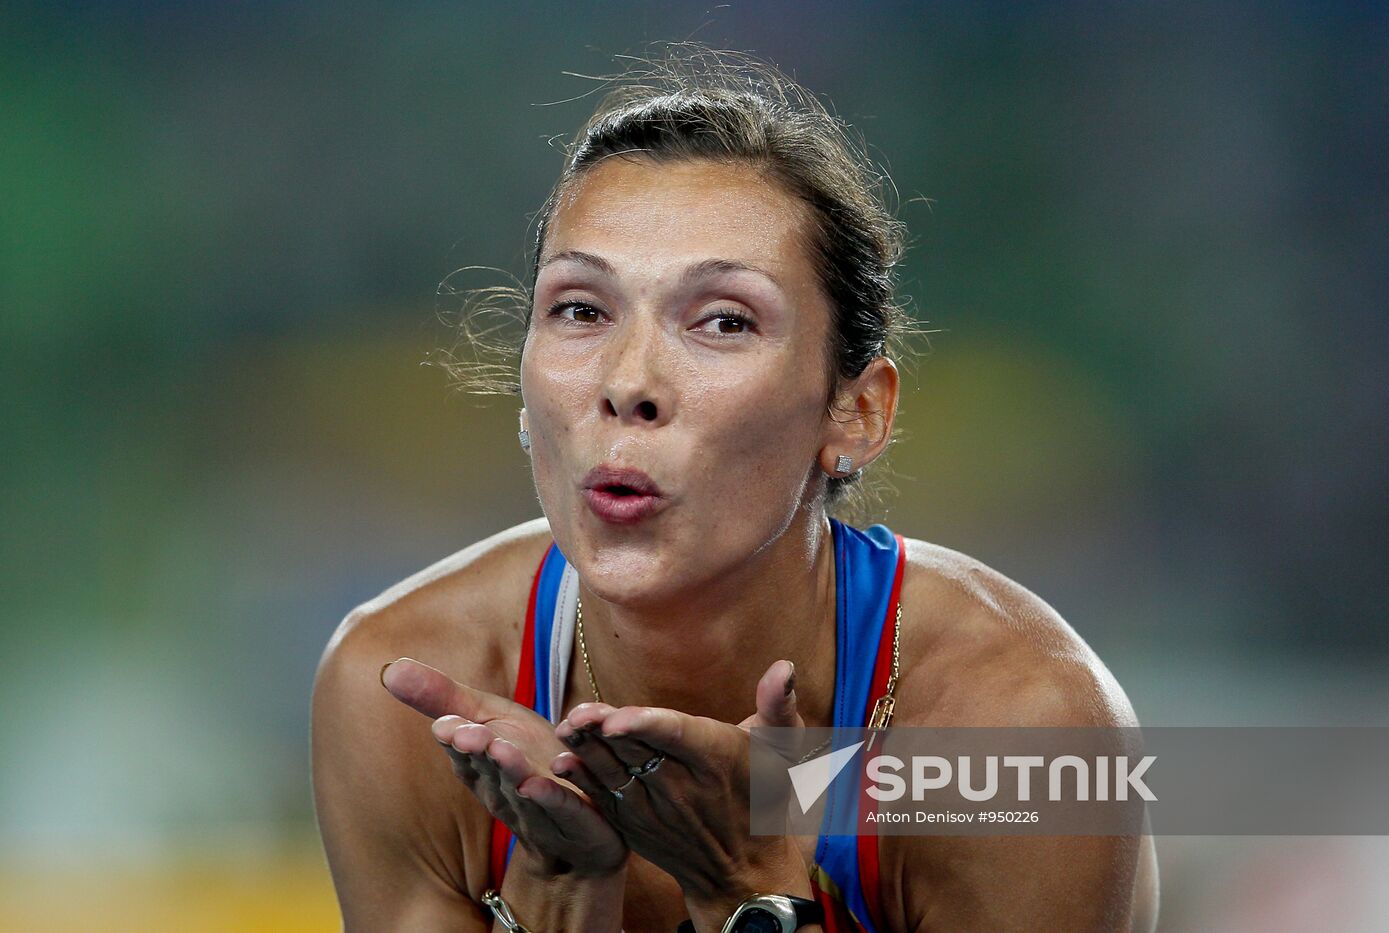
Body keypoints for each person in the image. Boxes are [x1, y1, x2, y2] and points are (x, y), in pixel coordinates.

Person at [312, 53, 1160, 933]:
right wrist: (560, 892)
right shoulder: (407, 691)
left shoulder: (1025, 728)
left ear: (856, 412)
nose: (627, 380)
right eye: (580, 309)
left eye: (723, 320)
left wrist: (748, 891)